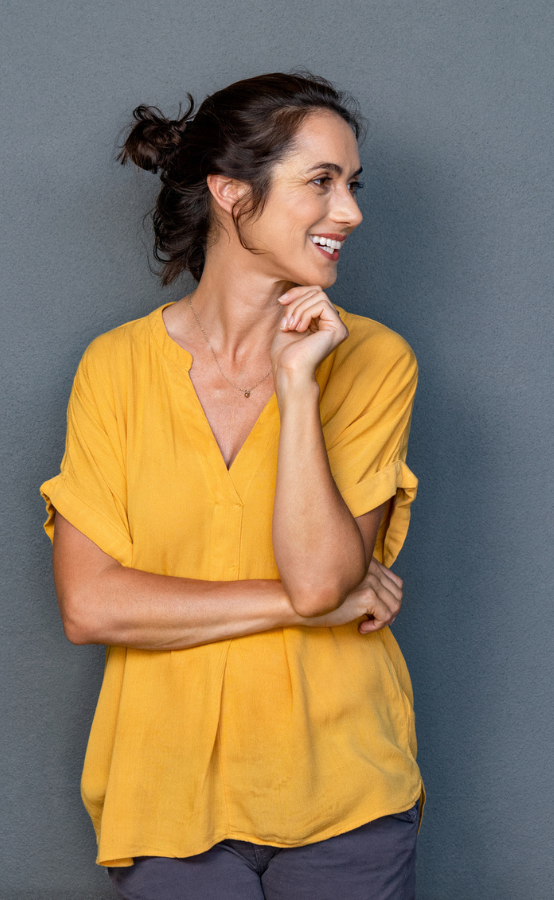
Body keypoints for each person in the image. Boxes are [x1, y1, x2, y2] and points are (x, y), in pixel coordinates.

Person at [39, 71, 423, 900]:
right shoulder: (114, 369)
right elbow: (92, 606)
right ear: (230, 194)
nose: (349, 211)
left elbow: (325, 575)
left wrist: (297, 386)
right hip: (164, 794)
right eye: (321, 182)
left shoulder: (375, 361)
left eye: (352, 185)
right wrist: (305, 604)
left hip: (344, 792)